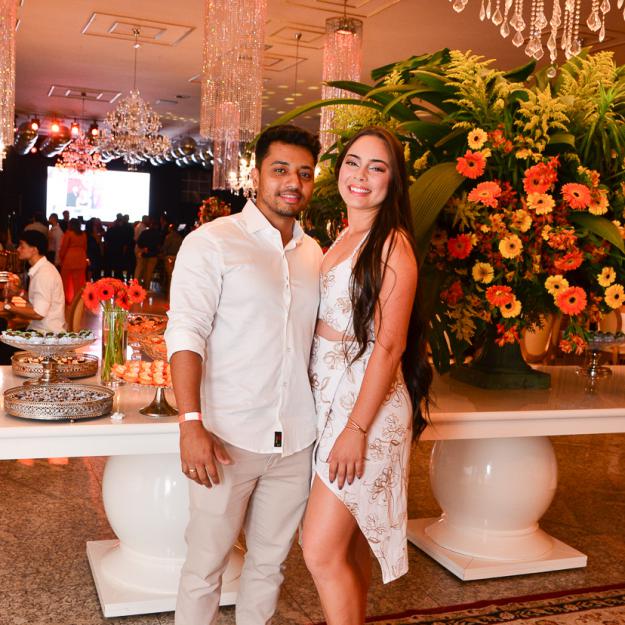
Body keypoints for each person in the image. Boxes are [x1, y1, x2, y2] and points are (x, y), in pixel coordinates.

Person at [166, 124, 322, 625]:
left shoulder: (314, 254)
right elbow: (185, 333)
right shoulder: (213, 242)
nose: (292, 182)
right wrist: (191, 423)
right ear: (255, 176)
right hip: (226, 438)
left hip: (295, 439)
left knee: (270, 564)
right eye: (280, 170)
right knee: (205, 565)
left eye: (304, 173)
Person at [301, 127, 432, 624]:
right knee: (346, 548)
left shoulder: (392, 244)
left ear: (393, 181)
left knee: (319, 549)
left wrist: (356, 429)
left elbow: (390, 345)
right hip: (330, 399)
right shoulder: (343, 236)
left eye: (377, 167)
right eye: (353, 162)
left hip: (363, 407)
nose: (361, 175)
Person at [5, 230, 66, 332]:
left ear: (34, 250)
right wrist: (19, 292)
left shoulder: (44, 274)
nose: (18, 249)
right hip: (42, 328)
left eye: (22, 246)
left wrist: (6, 307)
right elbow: (38, 299)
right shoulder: (42, 268)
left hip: (46, 333)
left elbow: (38, 314)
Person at [59, 218, 87, 304]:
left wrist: (61, 258)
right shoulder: (83, 234)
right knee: (79, 281)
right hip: (81, 258)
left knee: (66, 281)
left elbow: (64, 247)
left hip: (69, 259)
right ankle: (78, 300)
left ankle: (67, 299)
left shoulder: (68, 233)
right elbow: (85, 247)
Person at [135, 218, 161, 290]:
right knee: (148, 274)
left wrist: (144, 248)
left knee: (140, 272)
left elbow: (139, 242)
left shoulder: (144, 232)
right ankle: (146, 289)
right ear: (156, 226)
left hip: (144, 254)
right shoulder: (158, 234)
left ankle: (137, 289)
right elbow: (159, 246)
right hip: (153, 255)